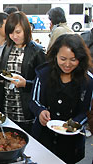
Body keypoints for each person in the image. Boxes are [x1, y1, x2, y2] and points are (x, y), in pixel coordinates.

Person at [29, 34, 93, 163]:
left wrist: (74, 124)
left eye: (73, 59)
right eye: (63, 59)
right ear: (55, 56)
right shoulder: (44, 73)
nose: (68, 64)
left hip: (70, 143)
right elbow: (33, 101)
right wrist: (40, 111)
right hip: (43, 137)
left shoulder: (87, 80)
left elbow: (86, 111)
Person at [3, 11, 46, 134]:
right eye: (10, 33)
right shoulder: (8, 48)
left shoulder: (37, 51)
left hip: (26, 109)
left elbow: (45, 84)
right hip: (7, 106)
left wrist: (25, 84)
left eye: (18, 32)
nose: (14, 36)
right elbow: (5, 74)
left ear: (26, 30)